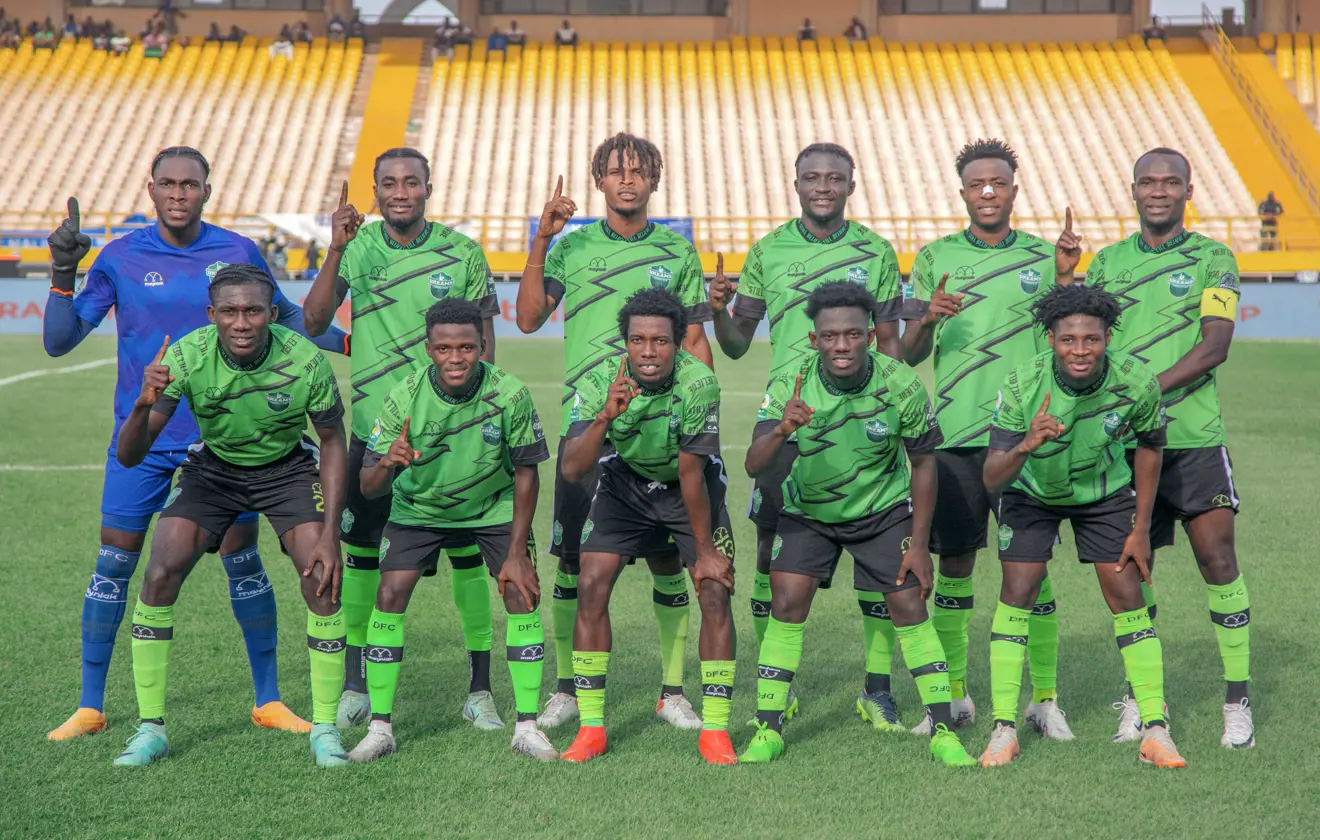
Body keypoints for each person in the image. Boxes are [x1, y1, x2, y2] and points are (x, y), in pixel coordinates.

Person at [42, 146, 349, 742]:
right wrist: (61, 272)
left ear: (208, 189)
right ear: (150, 188)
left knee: (243, 562)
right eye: (168, 184)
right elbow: (59, 340)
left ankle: (268, 700)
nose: (179, 194)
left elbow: (285, 318)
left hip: (225, 442)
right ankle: (90, 704)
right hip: (148, 434)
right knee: (117, 563)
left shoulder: (237, 252)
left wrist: (354, 343)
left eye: (190, 184)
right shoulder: (120, 255)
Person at [110, 265, 350, 768]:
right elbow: (130, 455)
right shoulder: (186, 355)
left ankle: (325, 729)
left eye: (253, 311)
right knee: (159, 574)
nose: (242, 322)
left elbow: (331, 441)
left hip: (287, 469)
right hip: (214, 471)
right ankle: (150, 728)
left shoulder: (304, 358)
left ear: (271, 314)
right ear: (212, 315)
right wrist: (142, 404)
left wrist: (330, 532)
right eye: (230, 312)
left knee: (322, 579)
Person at [516, 134, 714, 731]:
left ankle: (671, 691)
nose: (627, 180)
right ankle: (568, 688)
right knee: (573, 562)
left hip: (663, 422)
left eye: (638, 171)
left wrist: (702, 409)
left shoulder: (677, 253)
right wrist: (542, 238)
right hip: (591, 419)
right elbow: (527, 320)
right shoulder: (572, 247)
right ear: (599, 181)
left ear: (654, 180)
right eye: (615, 171)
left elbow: (697, 341)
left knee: (666, 562)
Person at [301, 150, 503, 733]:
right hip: (372, 434)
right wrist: (336, 247)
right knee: (363, 561)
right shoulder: (355, 246)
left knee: (466, 559)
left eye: (410, 181)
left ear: (428, 188)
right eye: (388, 183)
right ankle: (357, 684)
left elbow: (484, 342)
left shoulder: (462, 252)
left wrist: (475, 418)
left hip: (450, 439)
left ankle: (479, 691)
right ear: (375, 190)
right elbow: (313, 325)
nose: (399, 191)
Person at [739, 282, 977, 767]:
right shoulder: (791, 382)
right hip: (808, 512)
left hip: (882, 511)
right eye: (829, 337)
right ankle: (768, 728)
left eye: (851, 335)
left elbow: (925, 463)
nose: (841, 346)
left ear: (870, 337)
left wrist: (919, 543)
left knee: (908, 602)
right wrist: (783, 428)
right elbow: (753, 464)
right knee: (784, 601)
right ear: (814, 341)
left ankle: (943, 732)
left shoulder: (900, 383)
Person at [707, 142, 901, 723]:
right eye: (812, 177)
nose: (823, 185)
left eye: (835, 177)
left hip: (863, 421)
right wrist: (717, 311)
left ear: (851, 184)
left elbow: (889, 345)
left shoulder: (877, 251)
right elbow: (738, 342)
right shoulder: (769, 249)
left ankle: (877, 688)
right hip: (789, 422)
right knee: (771, 556)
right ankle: (779, 686)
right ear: (795, 184)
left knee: (879, 559)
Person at [899, 138, 1080, 738]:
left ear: (1013, 189)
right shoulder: (934, 257)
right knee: (954, 566)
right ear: (963, 192)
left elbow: (1071, 336)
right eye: (976, 184)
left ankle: (1044, 699)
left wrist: (1065, 277)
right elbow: (908, 354)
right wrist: (927, 317)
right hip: (954, 433)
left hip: (1025, 436)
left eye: (997, 183)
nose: (987, 192)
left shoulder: (1041, 256)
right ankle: (953, 697)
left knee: (1031, 568)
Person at [1077, 148, 1253, 749]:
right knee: (1133, 572)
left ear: (1187, 190)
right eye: (1148, 181)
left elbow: (1215, 346)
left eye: (1170, 181)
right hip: (1124, 446)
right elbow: (1083, 344)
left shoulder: (1214, 259)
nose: (1159, 190)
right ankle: (1140, 698)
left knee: (1218, 562)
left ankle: (1237, 700)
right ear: (1132, 190)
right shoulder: (1106, 265)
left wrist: (1145, 390)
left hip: (1193, 438)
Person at [979, 283, 1185, 769]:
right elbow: (991, 475)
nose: (1080, 350)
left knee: (1127, 596)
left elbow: (1151, 447)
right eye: (1068, 339)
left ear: (1107, 337)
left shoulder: (1137, 381)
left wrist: (1141, 527)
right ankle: (1004, 728)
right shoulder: (1022, 383)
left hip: (1104, 493)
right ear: (1050, 337)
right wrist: (1027, 444)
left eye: (1091, 339)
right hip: (1031, 492)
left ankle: (1155, 729)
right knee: (1018, 589)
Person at [346, 299, 558, 763]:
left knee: (521, 593)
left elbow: (527, 472)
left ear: (483, 346)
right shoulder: (404, 396)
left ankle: (526, 726)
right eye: (444, 349)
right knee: (390, 595)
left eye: (466, 347)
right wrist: (388, 461)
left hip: (492, 507)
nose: (455, 358)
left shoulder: (510, 393)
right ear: (428, 349)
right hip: (419, 508)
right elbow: (367, 486)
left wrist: (518, 551)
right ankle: (380, 727)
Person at [558, 289, 737, 765]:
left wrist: (704, 554)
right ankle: (592, 728)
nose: (648, 352)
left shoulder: (699, 383)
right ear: (626, 342)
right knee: (591, 584)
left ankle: (716, 731)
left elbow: (690, 472)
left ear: (678, 342)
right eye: (637, 340)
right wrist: (604, 418)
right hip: (625, 482)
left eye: (660, 341)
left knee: (715, 590)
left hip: (689, 486)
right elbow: (574, 468)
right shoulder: (599, 379)